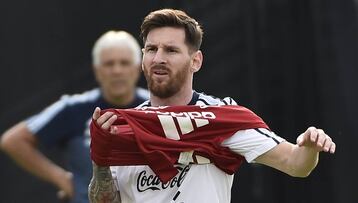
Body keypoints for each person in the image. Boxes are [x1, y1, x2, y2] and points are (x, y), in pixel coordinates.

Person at [88, 9, 336, 203]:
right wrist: (100, 160)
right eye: (151, 49)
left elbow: (295, 164)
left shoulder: (220, 117)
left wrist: (310, 147)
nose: (159, 58)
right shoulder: (126, 126)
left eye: (171, 50)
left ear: (195, 61)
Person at [0, 30, 149, 203]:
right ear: (97, 70)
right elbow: (13, 141)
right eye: (109, 64)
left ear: (138, 67)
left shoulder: (155, 108)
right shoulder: (73, 108)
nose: (117, 70)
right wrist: (62, 179)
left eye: (124, 63)